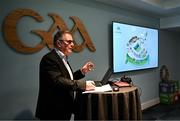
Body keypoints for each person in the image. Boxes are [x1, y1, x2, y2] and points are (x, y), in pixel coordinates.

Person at [35, 30, 95, 120]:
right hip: (53, 111)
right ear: (59, 43)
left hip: (63, 108)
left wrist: (82, 71)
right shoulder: (49, 59)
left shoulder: (62, 58)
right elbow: (58, 81)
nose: (73, 45)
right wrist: (84, 85)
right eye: (69, 42)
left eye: (73, 42)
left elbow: (67, 78)